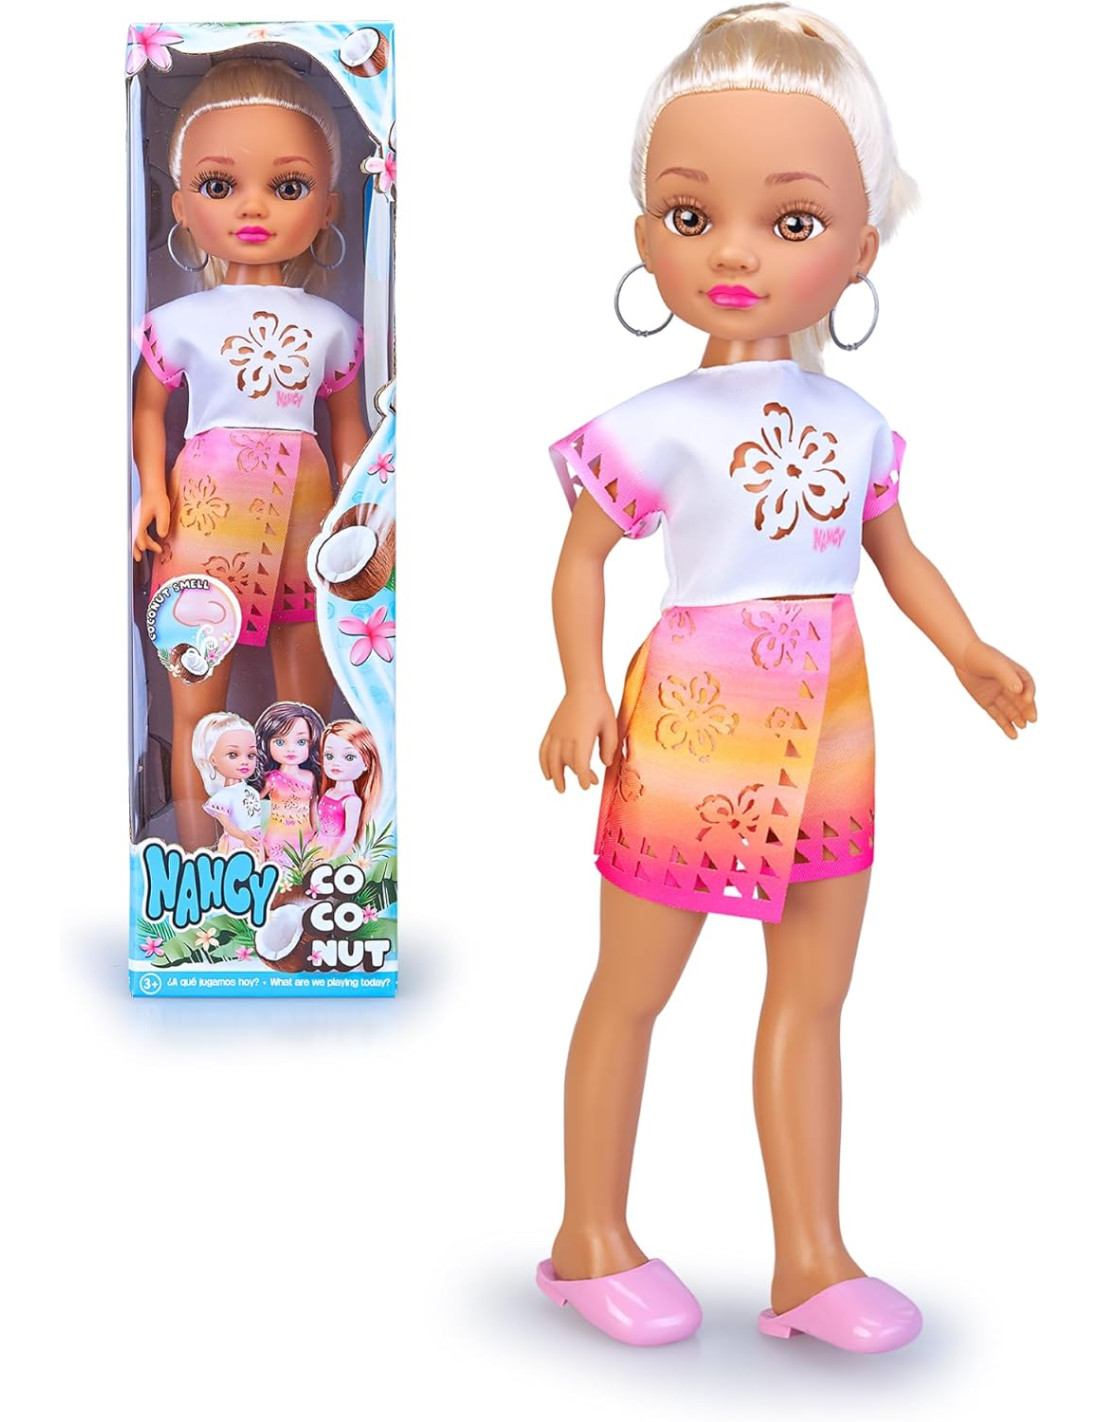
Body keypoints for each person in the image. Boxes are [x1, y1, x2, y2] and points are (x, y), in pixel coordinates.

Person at [537, 4, 1037, 1353]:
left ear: (861, 246)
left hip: (834, 721)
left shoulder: (857, 423)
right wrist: (579, 687)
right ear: (645, 233)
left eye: (792, 220)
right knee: (633, 982)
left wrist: (968, 649)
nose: (735, 251)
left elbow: (896, 555)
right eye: (691, 215)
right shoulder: (653, 424)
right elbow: (581, 559)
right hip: (694, 718)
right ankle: (588, 1236)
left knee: (815, 993)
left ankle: (813, 1258)